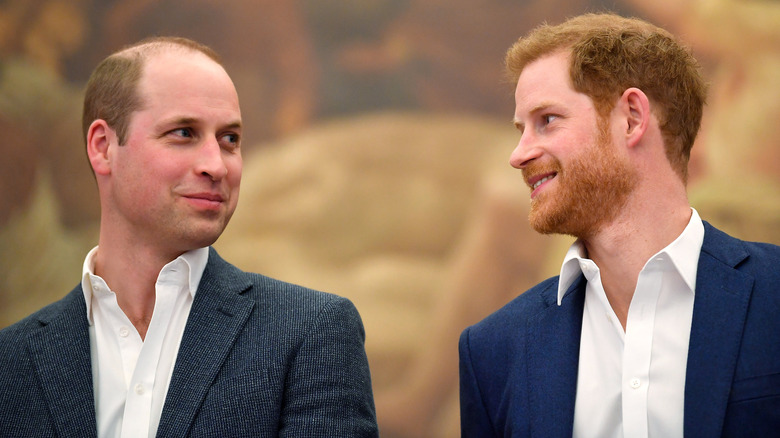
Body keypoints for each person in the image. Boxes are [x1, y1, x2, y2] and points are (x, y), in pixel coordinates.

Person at [0, 36, 378, 437]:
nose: (216, 165)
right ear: (103, 146)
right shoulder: (11, 361)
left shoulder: (310, 334)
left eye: (230, 139)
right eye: (184, 133)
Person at [458, 12, 780, 438]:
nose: (518, 154)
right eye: (521, 129)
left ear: (631, 117)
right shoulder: (493, 349)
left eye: (547, 120)